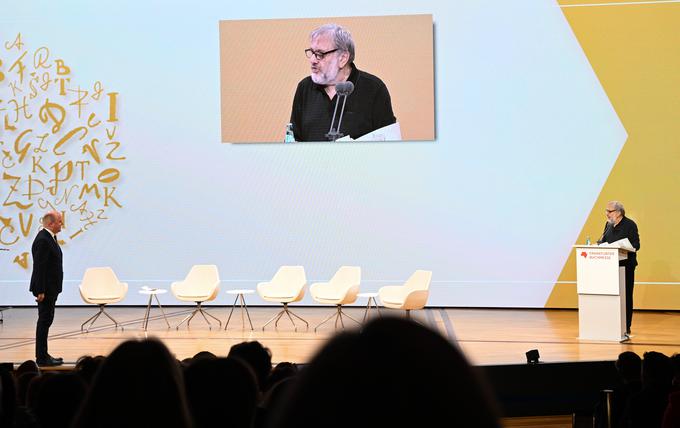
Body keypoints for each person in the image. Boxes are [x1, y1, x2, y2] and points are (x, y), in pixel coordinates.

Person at [290, 24, 396, 142]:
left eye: (320, 54)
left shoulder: (373, 89)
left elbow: (389, 144)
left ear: (343, 58)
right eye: (312, 52)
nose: (313, 60)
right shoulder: (304, 88)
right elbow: (295, 140)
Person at [597, 201, 640, 335]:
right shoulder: (608, 226)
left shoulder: (630, 225)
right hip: (610, 267)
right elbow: (603, 242)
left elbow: (636, 245)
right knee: (611, 297)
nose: (607, 214)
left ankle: (625, 327)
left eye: (609, 211)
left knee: (625, 296)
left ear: (619, 212)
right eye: (606, 211)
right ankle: (611, 325)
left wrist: (622, 247)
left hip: (625, 267)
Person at [29, 211, 64, 366]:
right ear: (50, 223)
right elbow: (39, 267)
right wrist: (40, 290)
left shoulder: (49, 238)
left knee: (46, 320)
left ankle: (44, 354)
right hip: (46, 289)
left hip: (51, 288)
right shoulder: (43, 239)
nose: (61, 224)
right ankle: (42, 358)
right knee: (44, 321)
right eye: (60, 221)